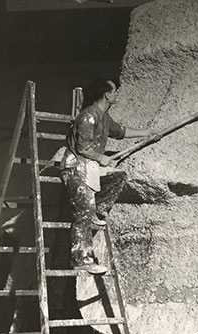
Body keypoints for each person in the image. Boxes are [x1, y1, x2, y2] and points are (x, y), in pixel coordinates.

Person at [60, 79, 159, 274]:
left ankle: (98, 211)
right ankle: (82, 259)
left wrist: (147, 133)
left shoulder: (104, 117)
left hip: (90, 167)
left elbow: (120, 131)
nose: (116, 95)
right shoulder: (89, 117)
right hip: (75, 167)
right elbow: (82, 148)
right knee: (83, 213)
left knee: (118, 176)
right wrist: (101, 157)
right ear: (107, 95)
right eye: (114, 92)